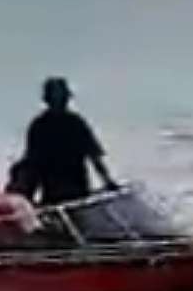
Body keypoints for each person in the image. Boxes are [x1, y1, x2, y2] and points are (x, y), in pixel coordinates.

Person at [16, 77, 118, 207]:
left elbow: (94, 156)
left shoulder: (75, 123)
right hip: (53, 195)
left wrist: (108, 181)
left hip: (77, 192)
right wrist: (27, 195)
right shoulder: (39, 126)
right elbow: (32, 164)